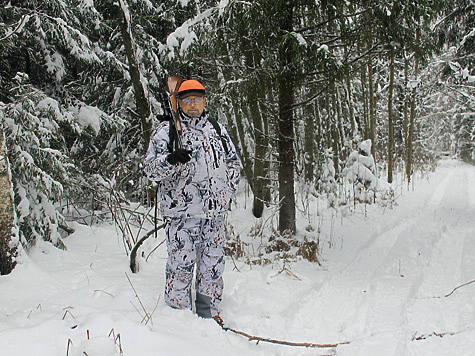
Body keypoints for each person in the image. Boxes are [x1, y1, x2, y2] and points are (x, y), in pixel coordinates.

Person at [143, 79, 241, 323]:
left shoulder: (217, 129)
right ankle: (179, 320)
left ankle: (209, 313)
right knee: (181, 267)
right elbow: (149, 169)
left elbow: (234, 164)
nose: (193, 104)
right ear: (179, 102)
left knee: (212, 265)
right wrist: (170, 159)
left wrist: (226, 192)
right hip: (181, 215)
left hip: (214, 214)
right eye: (187, 100)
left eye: (197, 99)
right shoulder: (167, 130)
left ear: (205, 101)